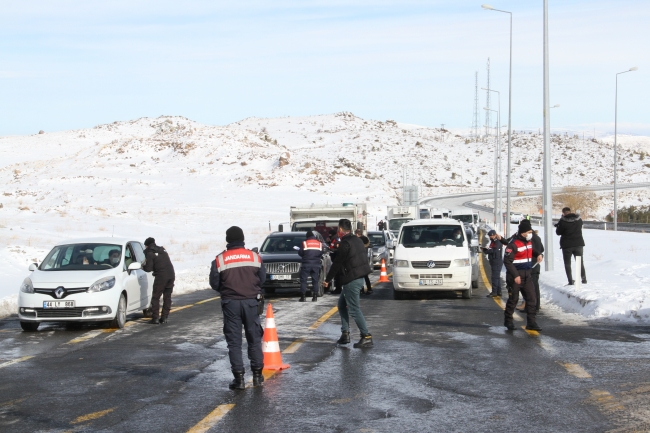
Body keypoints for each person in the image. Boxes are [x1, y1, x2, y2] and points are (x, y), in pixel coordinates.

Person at [209, 226, 266, 390]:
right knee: (254, 339)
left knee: (234, 342)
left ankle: (239, 379)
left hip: (231, 303)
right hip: (251, 302)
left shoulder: (220, 259)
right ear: (243, 238)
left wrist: (227, 290)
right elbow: (262, 279)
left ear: (227, 240)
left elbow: (214, 283)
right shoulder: (254, 257)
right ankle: (257, 375)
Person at [323, 219, 373, 348]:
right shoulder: (357, 240)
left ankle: (366, 336)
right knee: (341, 305)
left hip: (352, 279)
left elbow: (337, 263)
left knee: (354, 308)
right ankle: (345, 334)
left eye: (338, 229)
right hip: (357, 277)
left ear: (340, 230)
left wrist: (327, 280)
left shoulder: (345, 243)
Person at [503, 219, 542, 332]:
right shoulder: (513, 245)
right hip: (515, 277)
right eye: (529, 232)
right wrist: (515, 275)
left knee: (532, 299)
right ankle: (508, 321)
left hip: (527, 275)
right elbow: (507, 262)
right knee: (513, 300)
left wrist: (538, 254)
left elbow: (532, 250)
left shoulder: (528, 242)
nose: (531, 234)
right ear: (523, 232)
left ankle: (531, 322)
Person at [143, 238, 175, 325]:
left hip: (161, 276)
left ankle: (155, 318)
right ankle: (164, 317)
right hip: (171, 275)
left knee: (156, 297)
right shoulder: (162, 250)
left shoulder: (149, 253)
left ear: (147, 245)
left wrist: (142, 266)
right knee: (167, 297)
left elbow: (149, 268)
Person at [555, 207, 587, 285]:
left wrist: (558, 225)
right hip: (578, 244)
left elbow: (558, 232)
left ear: (563, 213)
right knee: (579, 262)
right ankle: (584, 280)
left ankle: (570, 281)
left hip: (567, 245)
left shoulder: (563, 221)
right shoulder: (579, 220)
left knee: (567, 263)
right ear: (570, 211)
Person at [298, 230, 323, 302]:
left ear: (307, 236)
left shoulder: (304, 243)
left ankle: (303, 297)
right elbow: (321, 253)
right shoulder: (319, 243)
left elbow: (300, 253)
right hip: (316, 264)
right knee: (315, 280)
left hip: (306, 264)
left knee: (304, 280)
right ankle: (315, 297)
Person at [482, 230, 507, 297]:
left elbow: (494, 250)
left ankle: (494, 292)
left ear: (494, 235)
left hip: (497, 261)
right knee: (497, 277)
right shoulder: (493, 241)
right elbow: (492, 248)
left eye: (491, 236)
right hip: (494, 260)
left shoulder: (498, 241)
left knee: (494, 277)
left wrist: (487, 251)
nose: (490, 237)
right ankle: (498, 291)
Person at [355, 229, 373, 295]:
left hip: (359, 260)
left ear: (357, 234)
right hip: (365, 260)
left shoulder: (358, 241)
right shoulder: (366, 240)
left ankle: (361, 290)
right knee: (365, 276)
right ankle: (369, 289)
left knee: (359, 276)